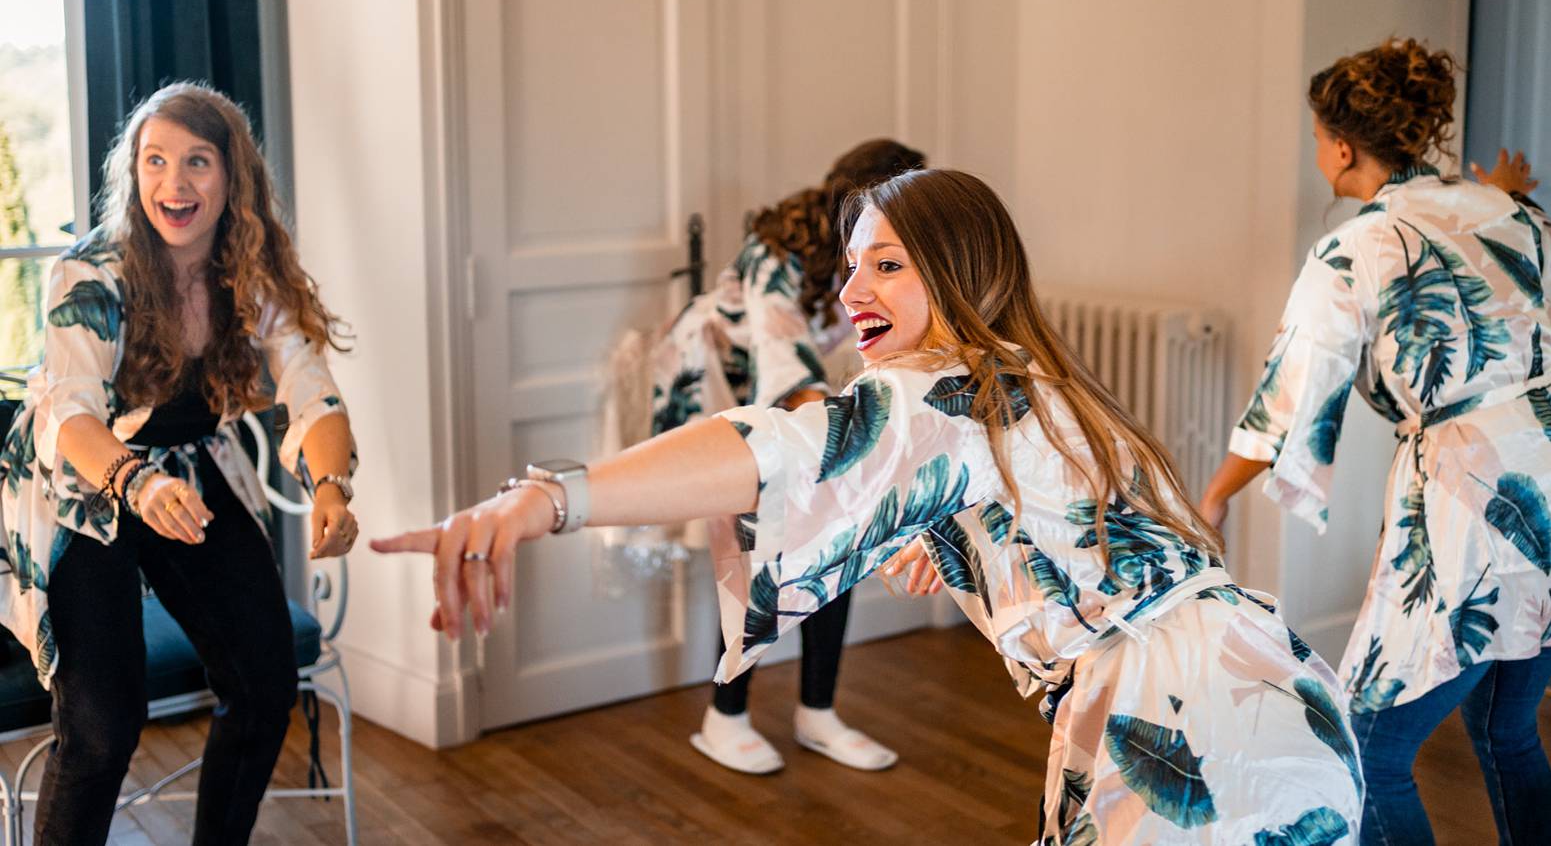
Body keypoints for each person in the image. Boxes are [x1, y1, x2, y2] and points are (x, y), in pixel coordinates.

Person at [377, 168, 1364, 845]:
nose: (852, 290)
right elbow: (1079, 532)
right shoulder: (1033, 377)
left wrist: (552, 494)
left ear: (960, 271)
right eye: (850, 264)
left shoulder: (943, 386)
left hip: (1185, 725)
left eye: (886, 262)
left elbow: (782, 441)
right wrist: (968, 548)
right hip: (1281, 694)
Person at [1198, 37, 1551, 845]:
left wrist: (1214, 494)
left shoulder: (1354, 250)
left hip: (1472, 502)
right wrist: (1503, 195)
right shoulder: (1516, 211)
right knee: (1509, 730)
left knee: (1368, 754)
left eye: (1317, 138)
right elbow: (1536, 321)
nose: (1317, 153)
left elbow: (1292, 393)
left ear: (1342, 148)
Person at [0, 83, 361, 844]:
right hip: (86, 492)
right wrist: (135, 480)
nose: (173, 182)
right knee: (102, 729)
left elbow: (310, 385)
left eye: (197, 161)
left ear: (233, 178)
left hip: (190, 470)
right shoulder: (90, 275)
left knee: (265, 687)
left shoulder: (250, 270)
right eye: (154, 160)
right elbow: (68, 410)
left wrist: (330, 485)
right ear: (133, 173)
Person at [647, 138, 924, 774]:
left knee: (837, 532)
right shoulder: (779, 254)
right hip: (716, 387)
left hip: (787, 392)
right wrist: (848, 439)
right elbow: (785, 363)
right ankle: (725, 716)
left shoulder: (881, 253)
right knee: (758, 541)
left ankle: (817, 711)